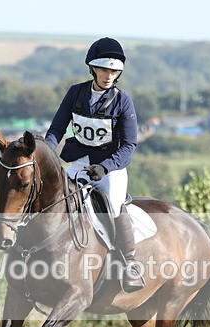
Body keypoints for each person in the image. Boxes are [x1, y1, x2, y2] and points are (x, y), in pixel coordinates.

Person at [44, 37, 144, 292]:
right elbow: (57, 129)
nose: (108, 75)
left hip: (110, 167)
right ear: (93, 69)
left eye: (113, 71)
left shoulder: (123, 101)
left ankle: (130, 264)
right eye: (104, 69)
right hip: (79, 161)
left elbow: (129, 145)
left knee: (112, 205)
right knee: (57, 199)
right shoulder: (75, 93)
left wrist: (106, 167)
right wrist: (47, 153)